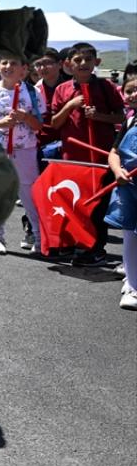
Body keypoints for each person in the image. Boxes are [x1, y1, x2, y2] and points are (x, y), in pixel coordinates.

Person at [49, 42, 126, 265]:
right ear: (68, 64)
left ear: (96, 63)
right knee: (75, 203)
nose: (83, 63)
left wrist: (99, 116)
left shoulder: (106, 87)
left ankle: (95, 248)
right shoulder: (63, 90)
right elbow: (55, 123)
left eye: (88, 59)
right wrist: (70, 105)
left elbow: (121, 117)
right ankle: (77, 244)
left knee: (97, 205)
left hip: (99, 157)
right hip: (72, 157)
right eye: (78, 60)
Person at [0, 52, 44, 253]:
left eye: (14, 63)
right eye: (4, 62)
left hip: (25, 151)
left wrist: (26, 117)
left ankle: (39, 238)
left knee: (29, 195)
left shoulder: (32, 93)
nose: (8, 66)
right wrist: (1, 123)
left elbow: (39, 125)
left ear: (24, 68)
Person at [106, 76, 137, 310]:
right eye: (130, 90)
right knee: (130, 235)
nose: (134, 94)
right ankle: (133, 285)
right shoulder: (129, 121)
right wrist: (117, 171)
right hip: (129, 186)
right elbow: (114, 152)